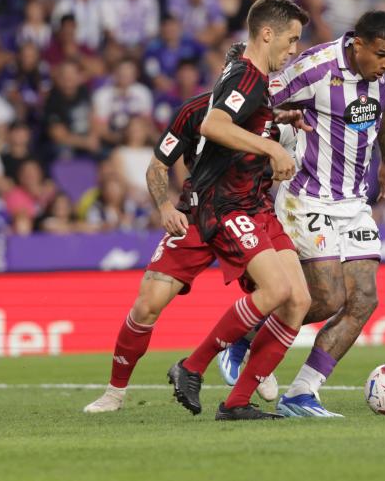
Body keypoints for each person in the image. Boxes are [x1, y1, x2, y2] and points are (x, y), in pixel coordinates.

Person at [82, 42, 302, 413]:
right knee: (147, 305)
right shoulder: (194, 112)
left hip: (248, 215)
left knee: (282, 294)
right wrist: (165, 205)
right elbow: (157, 166)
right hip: (198, 217)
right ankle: (115, 392)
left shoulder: (269, 118)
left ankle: (249, 367)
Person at [222, 10, 385, 418]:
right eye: (381, 55)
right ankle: (242, 339)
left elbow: (384, 107)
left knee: (364, 299)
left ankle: (302, 392)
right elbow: (257, 101)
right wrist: (269, 145)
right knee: (324, 297)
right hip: (307, 194)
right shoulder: (314, 68)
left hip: (354, 201)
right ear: (358, 44)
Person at [166, 0, 312, 421]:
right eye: (291, 39)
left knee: (298, 301)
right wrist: (269, 144)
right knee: (276, 291)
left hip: (254, 201)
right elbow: (213, 124)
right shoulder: (247, 76)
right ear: (267, 33)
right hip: (226, 204)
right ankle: (192, 366)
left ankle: (236, 403)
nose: (294, 49)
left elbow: (239, 119)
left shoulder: (252, 78)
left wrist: (276, 121)